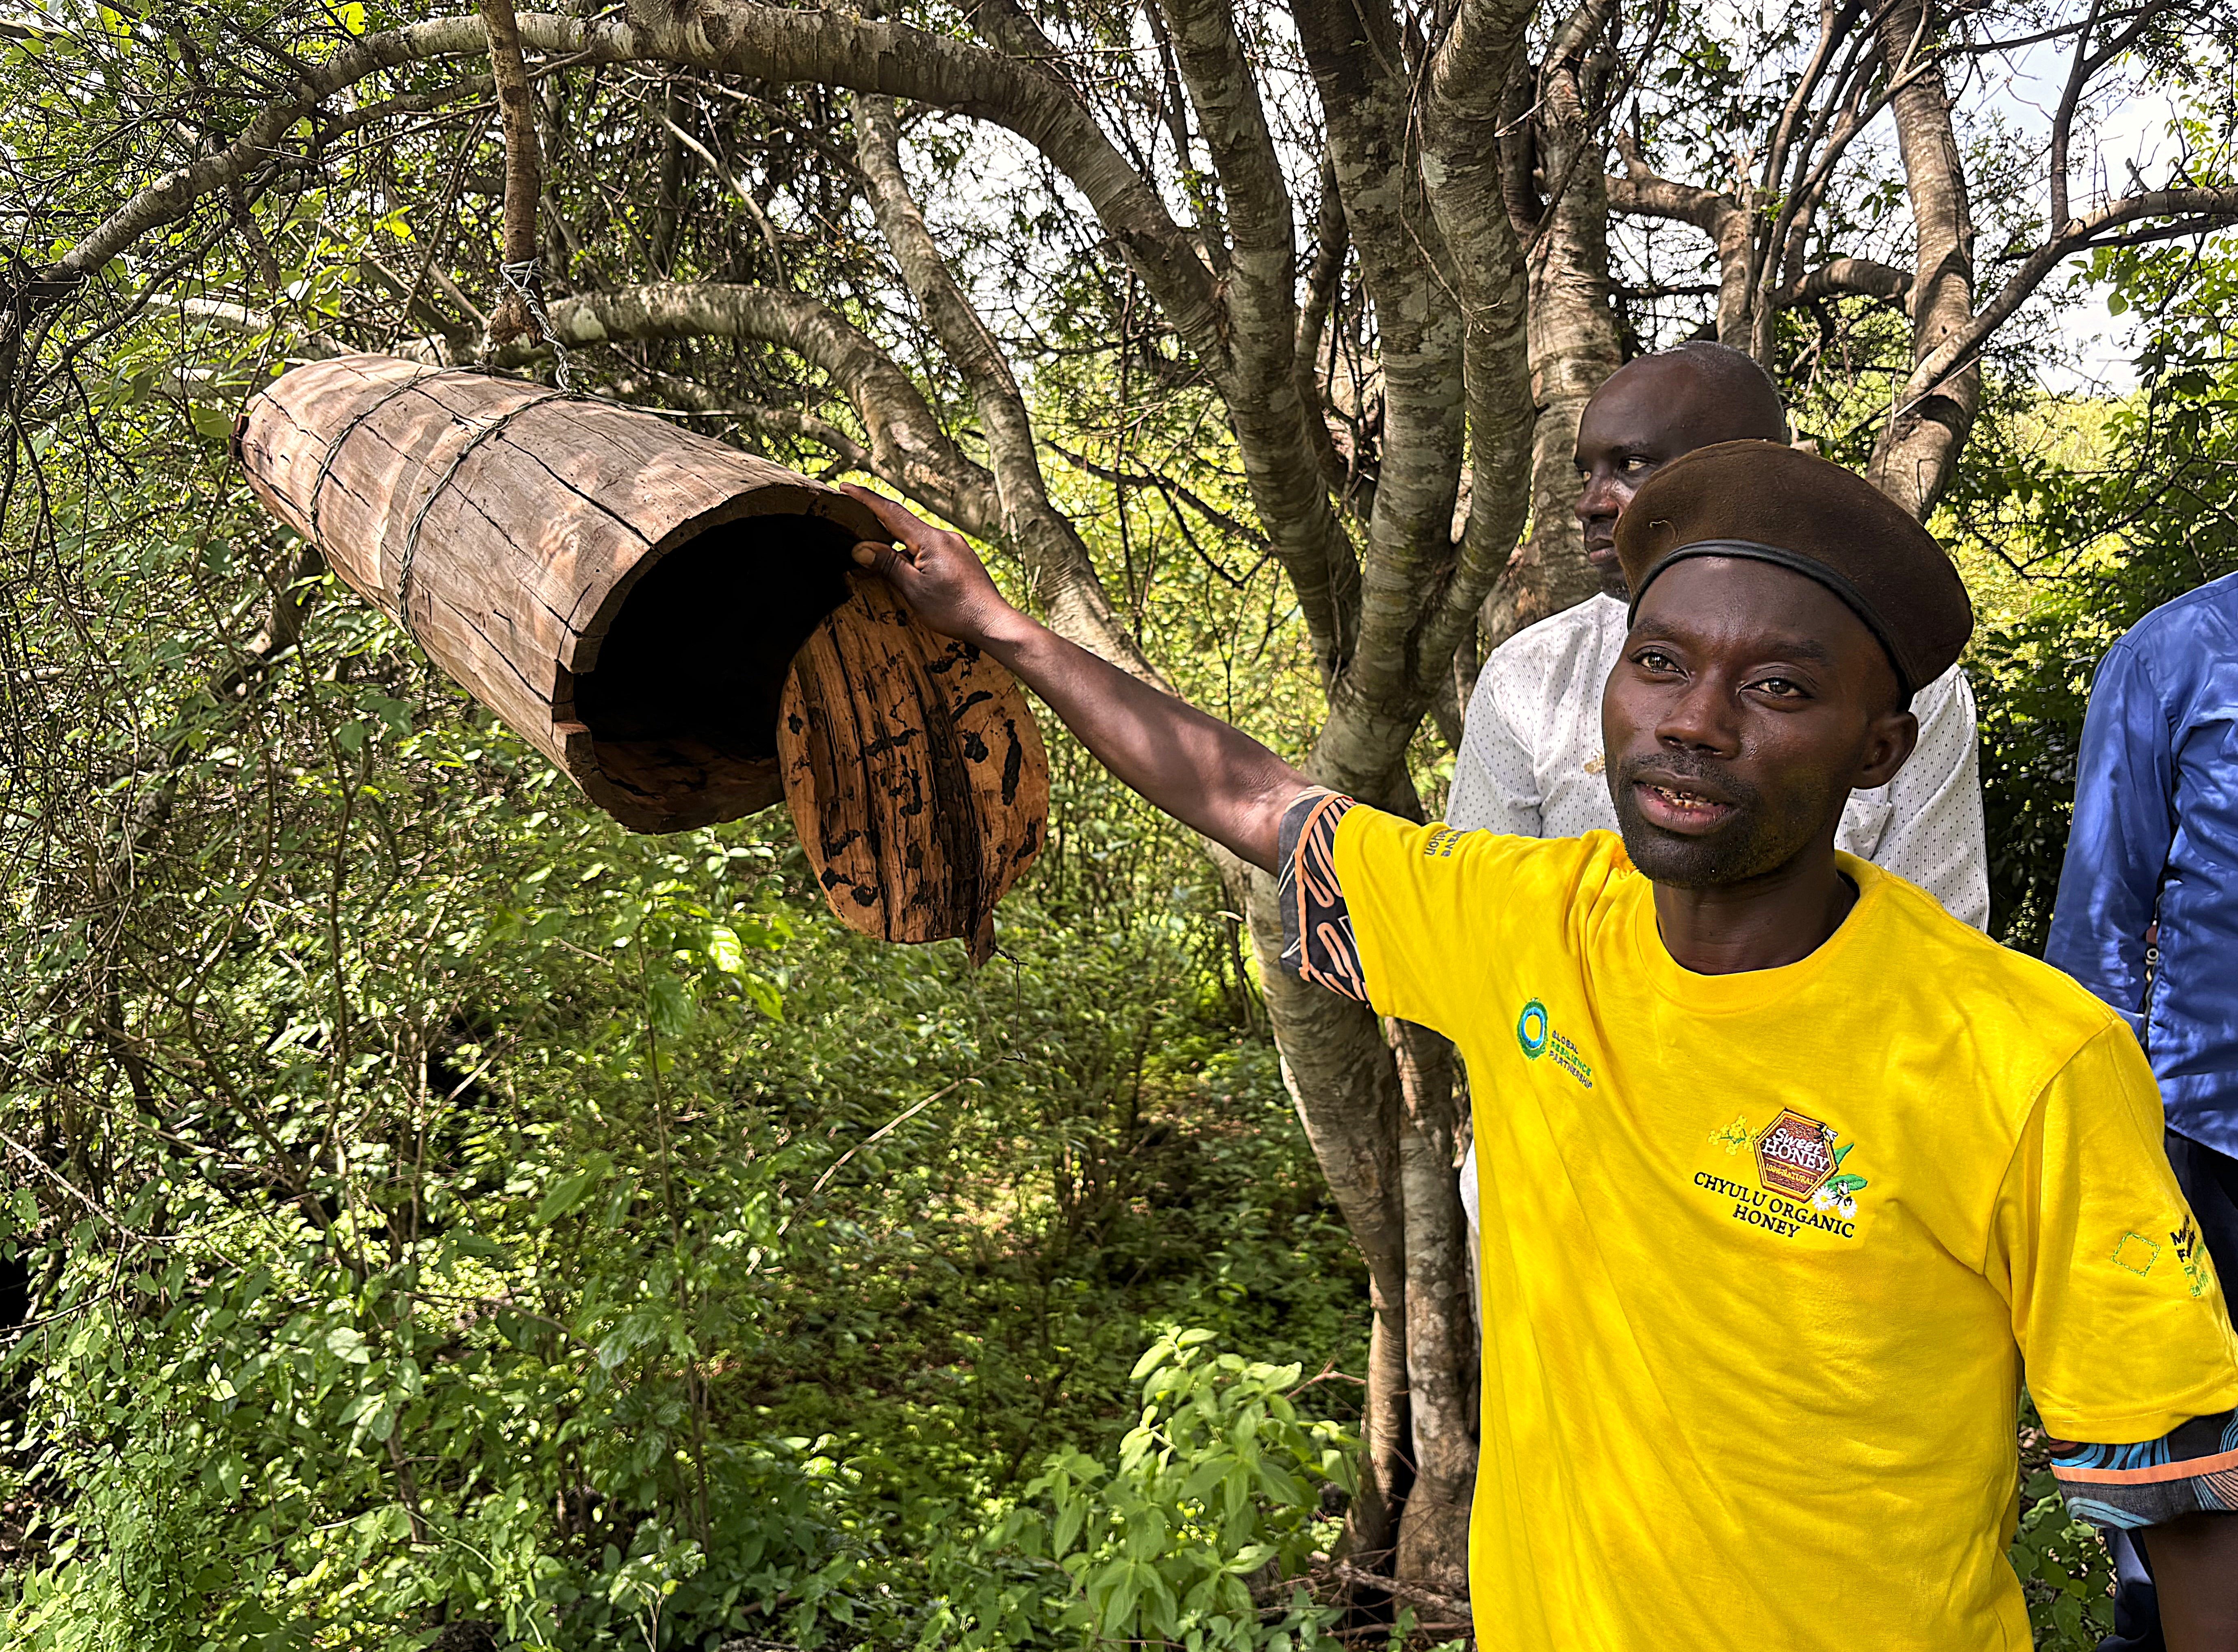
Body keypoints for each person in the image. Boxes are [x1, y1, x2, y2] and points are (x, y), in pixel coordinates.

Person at [837, 443, 2238, 1650]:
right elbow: (1257, 800)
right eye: (1659, 661)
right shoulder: (1527, 922)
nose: (1690, 720)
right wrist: (997, 625)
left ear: (1876, 752)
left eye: (1778, 690)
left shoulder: (2019, 1057)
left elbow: (2182, 1488)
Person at [1449, 343, 1989, 1252]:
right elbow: (1483, 933)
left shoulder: (1904, 688)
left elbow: (1940, 943)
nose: (1592, 499)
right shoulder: (1531, 674)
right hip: (1561, 1187)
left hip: (1800, 1190)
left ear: (1752, 470)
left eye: (1632, 465)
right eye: (1587, 469)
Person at [2045, 569, 2238, 1652]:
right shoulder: (2175, 655)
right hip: (2202, 1140)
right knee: (2184, 1501)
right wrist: (2108, 1149)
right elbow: (2098, 924)